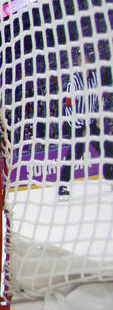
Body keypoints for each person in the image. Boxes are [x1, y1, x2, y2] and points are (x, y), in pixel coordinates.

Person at [58, 43, 101, 199]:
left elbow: (97, 99)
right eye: (80, 58)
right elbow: (68, 108)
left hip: (91, 122)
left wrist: (96, 118)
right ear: (77, 61)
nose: (84, 61)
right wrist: (81, 127)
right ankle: (63, 186)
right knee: (75, 154)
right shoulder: (73, 82)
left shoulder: (95, 77)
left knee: (106, 148)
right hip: (76, 125)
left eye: (86, 58)